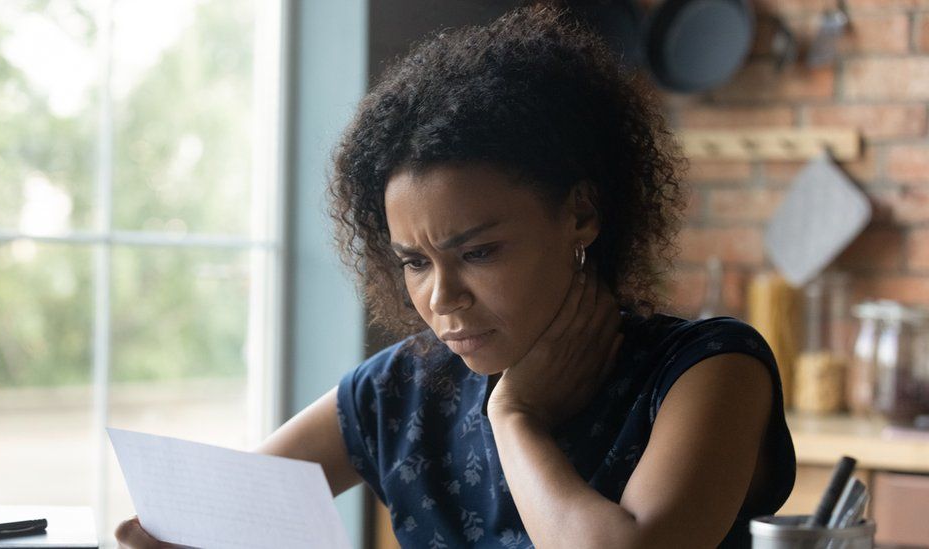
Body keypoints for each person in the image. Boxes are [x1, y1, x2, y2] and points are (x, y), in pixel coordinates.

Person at [116, 5, 795, 548]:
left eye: (479, 252)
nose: (441, 299)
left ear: (582, 214)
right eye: (415, 261)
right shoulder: (400, 388)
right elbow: (211, 513)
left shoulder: (708, 372)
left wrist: (515, 416)